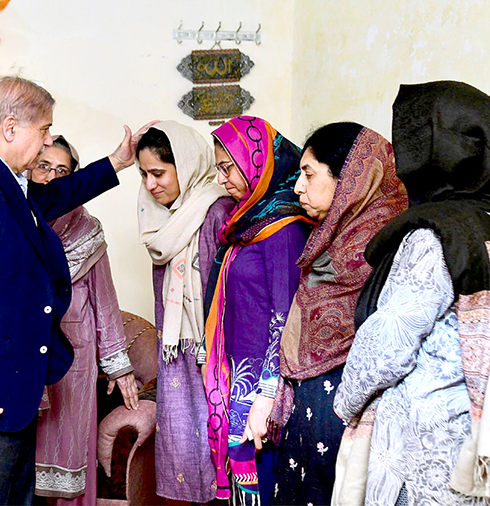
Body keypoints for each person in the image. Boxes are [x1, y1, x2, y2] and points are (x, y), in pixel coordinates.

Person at [0, 76, 151, 505]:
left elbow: (59, 194)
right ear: (11, 128)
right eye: (44, 129)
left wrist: (116, 163)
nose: (48, 141)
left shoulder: (4, 181)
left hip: (9, 396)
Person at [333, 81, 490, 505]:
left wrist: (346, 401)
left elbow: (389, 343)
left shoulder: (433, 236)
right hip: (489, 448)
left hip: (425, 450)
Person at [270, 122, 408, 504]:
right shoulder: (327, 240)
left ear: (348, 180)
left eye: (309, 174)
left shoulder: (390, 248)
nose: (298, 186)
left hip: (351, 418)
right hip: (311, 412)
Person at [203, 116, 312, 505]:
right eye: (218, 168)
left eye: (227, 166)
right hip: (238, 378)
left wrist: (266, 396)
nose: (221, 178)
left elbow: (287, 317)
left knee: (262, 484)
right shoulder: (245, 222)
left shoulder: (283, 228)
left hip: (262, 387)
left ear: (255, 162)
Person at [31, 136, 139, 505]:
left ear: (74, 179)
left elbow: (104, 303)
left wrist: (119, 367)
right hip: (27, 361)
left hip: (75, 364)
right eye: (43, 166)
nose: (50, 177)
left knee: (70, 462)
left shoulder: (87, 231)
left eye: (62, 171)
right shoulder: (18, 224)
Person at [136, 121, 233, 503]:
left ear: (188, 165)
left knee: (219, 458)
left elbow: (224, 299)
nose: (150, 185)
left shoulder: (216, 212)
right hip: (177, 358)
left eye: (158, 173)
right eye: (143, 174)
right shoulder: (165, 221)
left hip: (210, 358)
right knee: (189, 458)